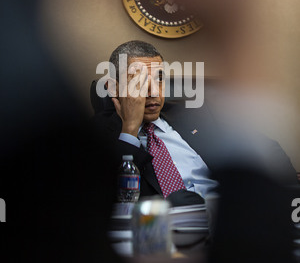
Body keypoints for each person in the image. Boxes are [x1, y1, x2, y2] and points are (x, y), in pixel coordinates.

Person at [93, 40, 299, 211]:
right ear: (113, 88)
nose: (153, 91)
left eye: (159, 79)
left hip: (228, 220)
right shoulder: (100, 133)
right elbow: (111, 196)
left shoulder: (191, 114)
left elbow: (267, 147)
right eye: (139, 82)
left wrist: (289, 197)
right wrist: (130, 128)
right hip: (165, 229)